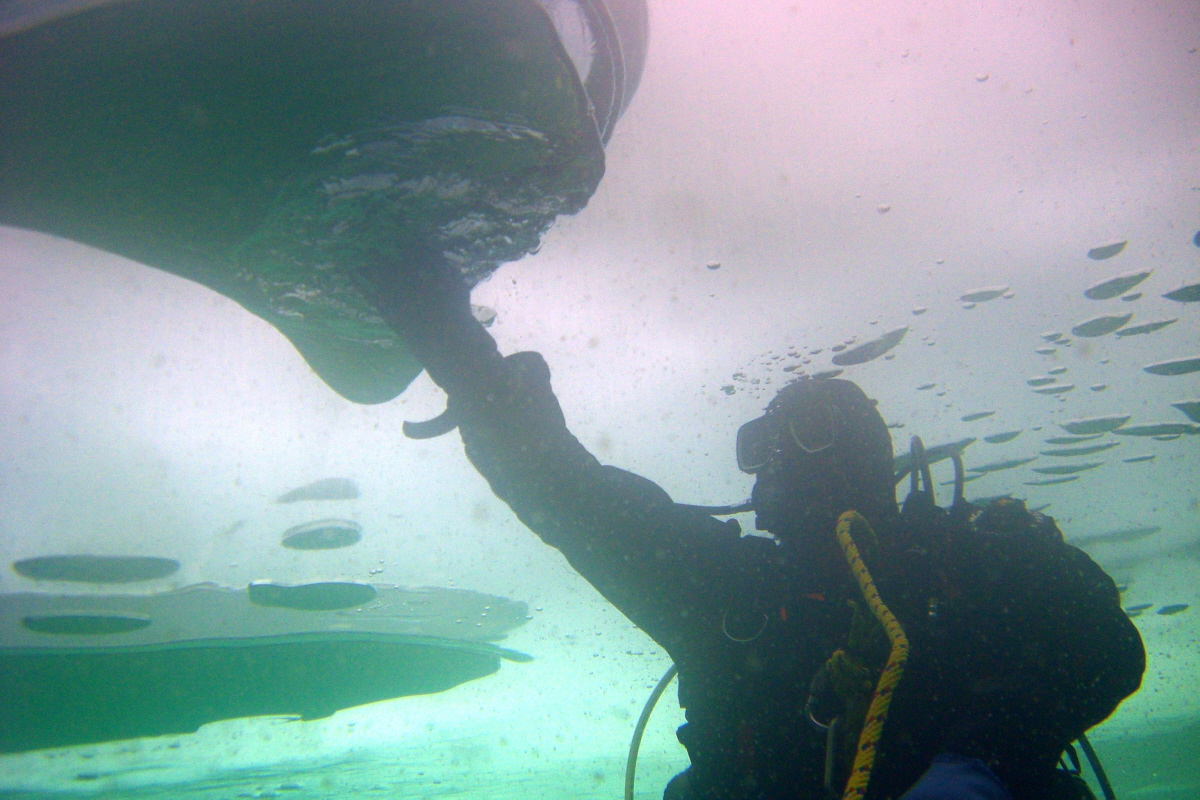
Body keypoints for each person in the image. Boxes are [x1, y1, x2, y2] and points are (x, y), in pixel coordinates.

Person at [363, 255, 1145, 800]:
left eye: (810, 441)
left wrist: (982, 747)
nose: (787, 471)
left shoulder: (972, 565)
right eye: (773, 450)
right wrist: (462, 352)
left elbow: (1108, 651)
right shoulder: (728, 592)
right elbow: (569, 494)